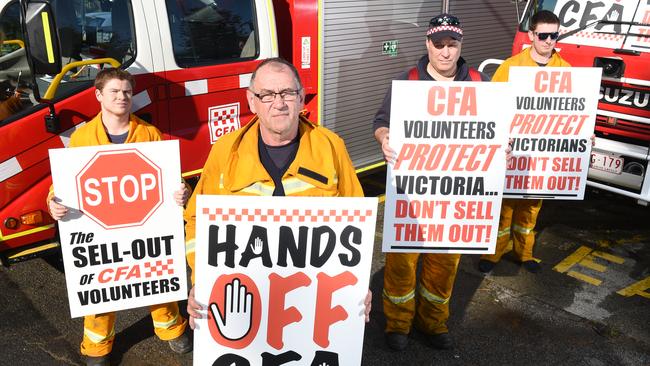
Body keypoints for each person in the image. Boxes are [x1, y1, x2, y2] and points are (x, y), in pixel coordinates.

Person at [184, 57, 372, 327]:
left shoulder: (332, 147)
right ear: (252, 101)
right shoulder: (225, 152)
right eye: (268, 95)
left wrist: (358, 285)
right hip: (245, 302)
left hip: (314, 304)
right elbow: (196, 222)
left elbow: (357, 226)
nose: (279, 103)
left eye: (287, 93)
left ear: (302, 97)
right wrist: (202, 281)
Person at [47, 68, 191, 366]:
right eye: (114, 91)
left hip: (144, 226)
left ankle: (172, 329)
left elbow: (171, 178)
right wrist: (53, 202)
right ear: (99, 95)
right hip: (101, 228)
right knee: (101, 286)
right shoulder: (83, 137)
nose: (122, 97)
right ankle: (97, 347)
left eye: (126, 91)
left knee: (156, 276)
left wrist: (183, 191)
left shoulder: (149, 133)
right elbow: (63, 183)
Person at [373, 13, 489, 352]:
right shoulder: (407, 81)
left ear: (460, 45)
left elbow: (497, 131)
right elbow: (381, 121)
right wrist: (384, 137)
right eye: (439, 44)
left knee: (444, 265)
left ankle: (433, 323)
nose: (445, 52)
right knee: (401, 264)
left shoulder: (481, 84)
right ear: (428, 44)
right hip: (411, 195)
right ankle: (397, 325)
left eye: (452, 44)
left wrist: (503, 148)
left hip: (455, 199)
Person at [478, 10, 570, 275]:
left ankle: (524, 253)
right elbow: (492, 106)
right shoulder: (511, 67)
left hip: (542, 157)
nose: (549, 41)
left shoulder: (566, 71)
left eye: (554, 35)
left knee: (530, 207)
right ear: (531, 35)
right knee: (505, 207)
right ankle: (493, 254)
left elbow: (573, 114)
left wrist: (583, 133)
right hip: (512, 151)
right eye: (543, 35)